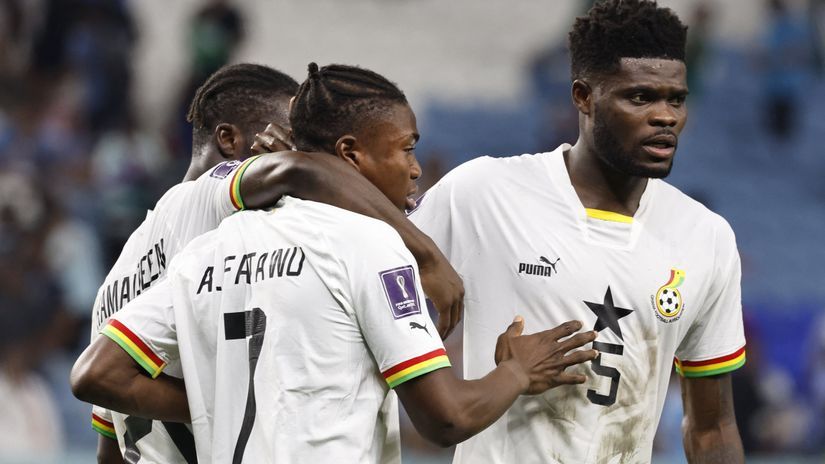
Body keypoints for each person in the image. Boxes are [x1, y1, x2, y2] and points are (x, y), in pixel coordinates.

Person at [71, 63, 599, 463]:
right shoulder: (210, 204)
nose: (416, 170)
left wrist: (217, 403)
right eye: (407, 150)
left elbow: (100, 397)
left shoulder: (179, 265)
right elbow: (447, 418)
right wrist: (515, 369)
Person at [408, 1, 746, 462]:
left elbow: (712, 428)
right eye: (640, 97)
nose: (666, 116)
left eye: (676, 99)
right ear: (583, 97)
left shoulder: (706, 236)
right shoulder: (483, 193)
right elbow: (367, 277)